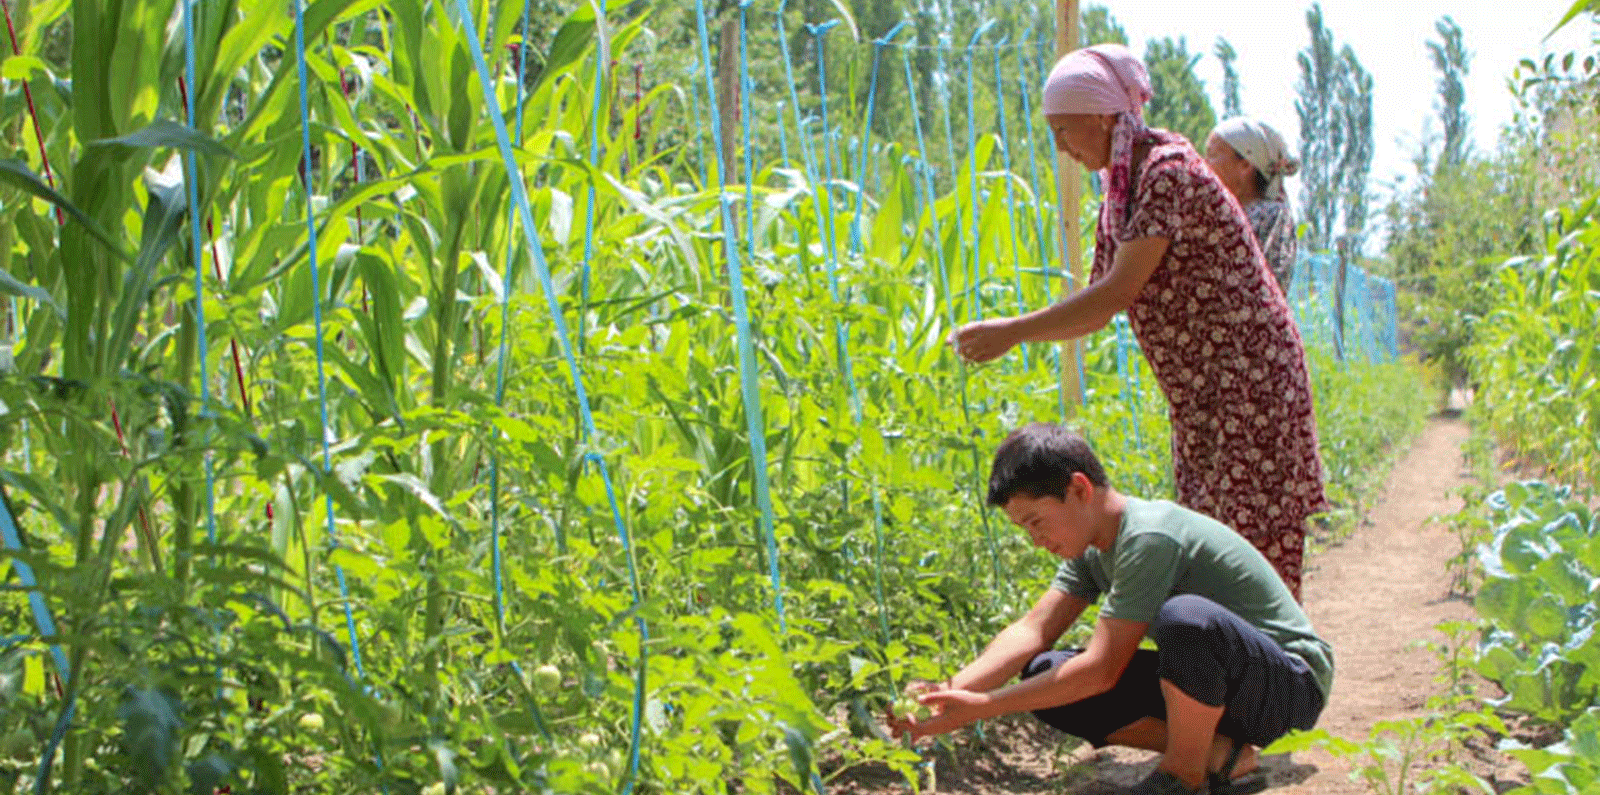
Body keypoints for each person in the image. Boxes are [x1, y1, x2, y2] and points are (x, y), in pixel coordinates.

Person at [948, 44, 1326, 600]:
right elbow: (1099, 303)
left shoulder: (1165, 172)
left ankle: (1283, 680)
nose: (1061, 146)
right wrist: (1018, 331)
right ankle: (1231, 681)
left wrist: (1012, 331)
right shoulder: (1122, 191)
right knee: (1217, 553)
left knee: (1252, 556)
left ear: (1103, 114)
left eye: (1064, 129)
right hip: (1207, 399)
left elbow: (1115, 294)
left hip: (1249, 389)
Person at [891, 423, 1332, 795]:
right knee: (1044, 670)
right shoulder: (1092, 549)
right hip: (1219, 686)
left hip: (1287, 688)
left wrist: (985, 705)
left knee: (1184, 620)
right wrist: (944, 697)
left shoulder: (1149, 537)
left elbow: (1103, 669)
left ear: (1079, 488)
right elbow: (1034, 630)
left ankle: (1182, 774)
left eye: (1036, 522)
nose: (1035, 540)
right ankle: (1222, 755)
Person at [1203, 117, 1301, 295]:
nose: (1204, 164)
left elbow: (1268, 290)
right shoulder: (1220, 213)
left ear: (1245, 165)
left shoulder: (1273, 216)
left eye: (1213, 155)